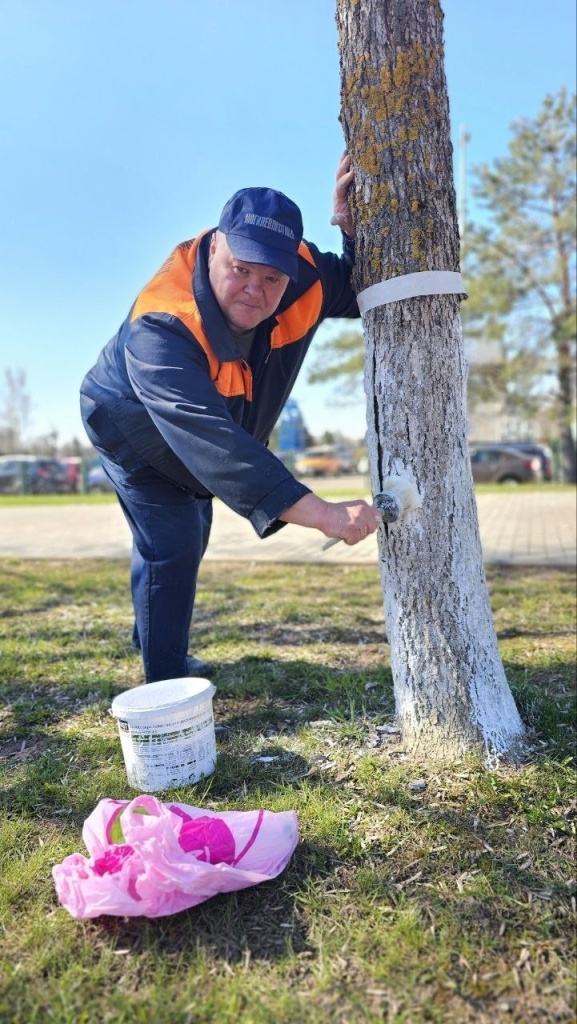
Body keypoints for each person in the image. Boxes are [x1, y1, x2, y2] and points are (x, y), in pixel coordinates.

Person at [80, 152, 380, 683]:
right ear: (215, 245)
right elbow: (216, 445)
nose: (254, 290)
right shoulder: (162, 326)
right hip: (128, 422)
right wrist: (324, 514)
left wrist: (352, 229)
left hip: (203, 423)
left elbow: (360, 291)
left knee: (186, 529)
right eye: (240, 270)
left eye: (271, 277)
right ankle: (167, 682)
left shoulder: (303, 274)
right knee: (173, 540)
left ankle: (150, 629)